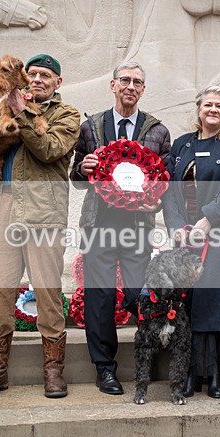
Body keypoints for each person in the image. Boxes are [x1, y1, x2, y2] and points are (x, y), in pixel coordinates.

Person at [0, 54, 80, 400]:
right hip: (3, 205)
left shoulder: (66, 114)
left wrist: (21, 114)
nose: (37, 79)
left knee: (48, 292)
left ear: (58, 82)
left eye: (46, 75)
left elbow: (49, 149)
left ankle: (53, 370)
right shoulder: (6, 104)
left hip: (43, 211)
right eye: (32, 73)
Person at [70, 61, 171, 395]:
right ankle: (105, 368)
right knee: (99, 297)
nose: (131, 86)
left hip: (137, 226)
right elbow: (76, 177)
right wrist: (83, 168)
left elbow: (165, 182)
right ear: (113, 85)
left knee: (137, 294)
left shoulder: (158, 131)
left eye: (137, 82)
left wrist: (155, 204)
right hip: (98, 224)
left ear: (143, 89)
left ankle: (148, 355)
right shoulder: (91, 127)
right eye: (125, 80)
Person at [163, 85, 220, 399]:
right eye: (208, 105)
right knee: (189, 306)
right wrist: (176, 225)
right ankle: (190, 373)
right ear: (199, 109)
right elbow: (168, 189)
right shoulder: (181, 144)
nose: (213, 110)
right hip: (187, 236)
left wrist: (209, 218)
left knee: (216, 304)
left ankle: (216, 374)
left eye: (219, 106)